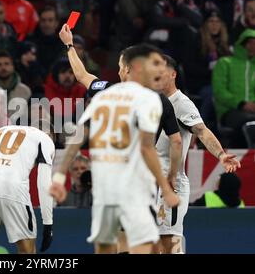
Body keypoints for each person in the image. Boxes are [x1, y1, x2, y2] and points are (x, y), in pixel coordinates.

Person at [51, 44, 180, 254]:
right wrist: (167, 186)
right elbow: (155, 146)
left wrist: (59, 176)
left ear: (128, 69)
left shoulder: (104, 94)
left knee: (107, 246)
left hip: (105, 187)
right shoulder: (153, 99)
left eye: (120, 66)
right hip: (136, 185)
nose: (119, 70)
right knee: (142, 246)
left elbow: (78, 135)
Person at [155, 54, 241, 254]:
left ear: (173, 74)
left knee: (170, 243)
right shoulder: (150, 102)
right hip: (149, 182)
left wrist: (220, 154)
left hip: (171, 182)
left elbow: (202, 130)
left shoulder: (181, 103)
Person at [0, 122, 55, 254]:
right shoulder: (44, 138)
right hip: (13, 190)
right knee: (26, 250)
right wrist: (48, 224)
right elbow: (44, 183)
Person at [212, 29, 255, 148]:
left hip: (251, 111)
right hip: (229, 111)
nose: (252, 46)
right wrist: (241, 104)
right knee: (248, 121)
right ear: (242, 44)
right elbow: (219, 91)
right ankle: (242, 155)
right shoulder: (225, 63)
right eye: (250, 42)